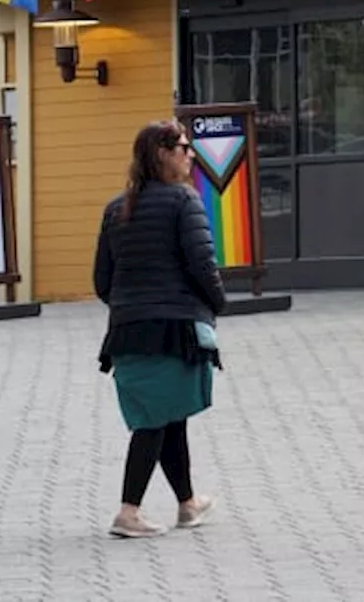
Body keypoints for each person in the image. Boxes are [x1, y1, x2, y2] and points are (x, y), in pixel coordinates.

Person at [93, 120, 226, 538]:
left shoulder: (116, 208)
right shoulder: (183, 202)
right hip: (173, 329)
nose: (191, 155)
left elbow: (102, 280)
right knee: (154, 420)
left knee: (169, 416)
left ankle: (187, 504)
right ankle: (128, 512)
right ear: (163, 154)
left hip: (127, 332)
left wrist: (129, 305)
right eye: (184, 147)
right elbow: (202, 264)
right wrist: (217, 303)